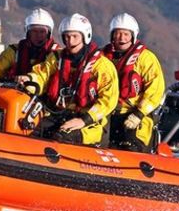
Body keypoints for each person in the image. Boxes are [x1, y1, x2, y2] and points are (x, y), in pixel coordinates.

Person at [17, 13, 118, 146]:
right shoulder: (56, 58)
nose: (70, 41)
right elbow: (42, 74)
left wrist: (84, 120)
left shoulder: (102, 65)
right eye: (67, 37)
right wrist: (29, 80)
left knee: (64, 137)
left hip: (88, 119)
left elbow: (108, 100)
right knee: (32, 131)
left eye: (75, 36)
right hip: (59, 113)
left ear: (85, 36)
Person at [103, 13, 165, 152]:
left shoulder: (146, 58)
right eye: (118, 34)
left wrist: (139, 114)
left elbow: (155, 90)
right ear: (112, 35)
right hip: (107, 113)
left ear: (133, 36)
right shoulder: (102, 57)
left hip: (134, 114)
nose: (122, 38)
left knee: (131, 144)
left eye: (126, 34)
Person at [0, 8, 60, 80]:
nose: (38, 35)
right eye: (34, 31)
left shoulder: (56, 55)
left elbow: (44, 75)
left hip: (42, 90)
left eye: (42, 32)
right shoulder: (15, 51)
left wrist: (30, 79)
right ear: (28, 33)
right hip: (14, 89)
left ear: (49, 34)